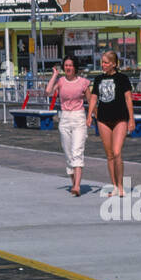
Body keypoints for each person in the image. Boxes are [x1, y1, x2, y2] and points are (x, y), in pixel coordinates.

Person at [88, 51, 134, 197]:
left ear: (114, 64)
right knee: (109, 155)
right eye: (102, 62)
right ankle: (114, 186)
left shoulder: (122, 78)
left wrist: (131, 119)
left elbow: (128, 99)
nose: (103, 65)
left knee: (117, 152)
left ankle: (121, 186)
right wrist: (89, 115)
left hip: (120, 117)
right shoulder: (98, 79)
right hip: (103, 118)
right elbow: (94, 98)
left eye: (106, 62)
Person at [47, 57, 93, 196]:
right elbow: (48, 92)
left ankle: (77, 186)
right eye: (66, 65)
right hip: (65, 118)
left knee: (77, 151)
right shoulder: (61, 81)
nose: (68, 68)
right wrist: (55, 75)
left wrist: (91, 116)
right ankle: (74, 183)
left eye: (70, 65)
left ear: (75, 67)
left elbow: (91, 100)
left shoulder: (83, 82)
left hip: (79, 117)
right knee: (68, 154)